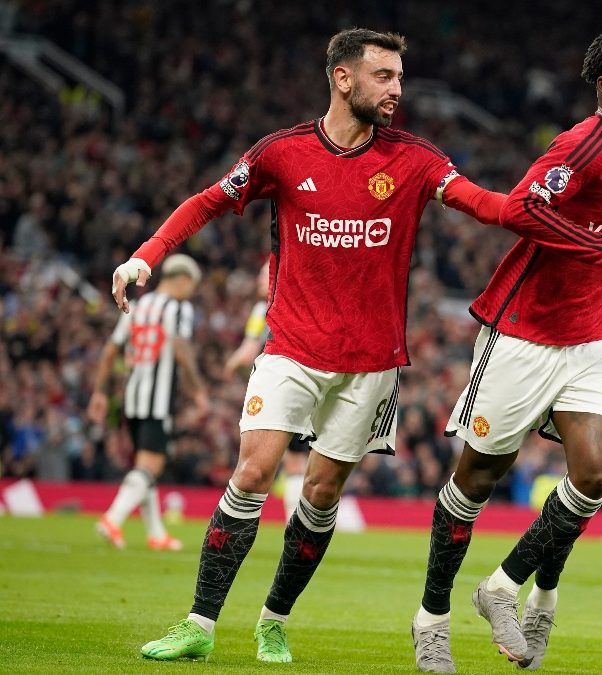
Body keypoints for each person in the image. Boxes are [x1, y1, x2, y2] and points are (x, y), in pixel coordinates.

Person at [115, 28, 505, 664]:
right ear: (343, 79)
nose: (397, 90)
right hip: (291, 349)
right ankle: (199, 623)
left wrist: (565, 214)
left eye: (399, 77)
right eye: (384, 76)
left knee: (320, 495)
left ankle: (274, 619)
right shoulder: (283, 153)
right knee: (252, 473)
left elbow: (487, 206)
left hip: (371, 365)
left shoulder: (414, 158)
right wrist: (145, 255)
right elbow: (208, 202)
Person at [411, 26, 602, 674]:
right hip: (522, 335)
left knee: (597, 473)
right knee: (477, 478)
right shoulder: (580, 146)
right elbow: (522, 209)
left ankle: (503, 586)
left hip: (592, 337)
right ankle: (431, 619)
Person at [90, 254, 208, 552]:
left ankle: (156, 534)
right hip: (158, 400)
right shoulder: (178, 308)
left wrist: (100, 392)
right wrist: (198, 392)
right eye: (191, 286)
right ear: (183, 280)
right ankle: (113, 518)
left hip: (131, 400)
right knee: (150, 467)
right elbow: (180, 349)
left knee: (146, 468)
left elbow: (110, 352)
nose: (191, 292)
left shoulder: (139, 306)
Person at [223, 261, 308, 519]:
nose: (260, 281)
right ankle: (294, 525)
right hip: (302, 388)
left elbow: (247, 352)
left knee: (262, 462)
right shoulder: (300, 305)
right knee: (296, 461)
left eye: (264, 275)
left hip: (272, 390)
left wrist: (231, 366)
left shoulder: (262, 309)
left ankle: (237, 521)